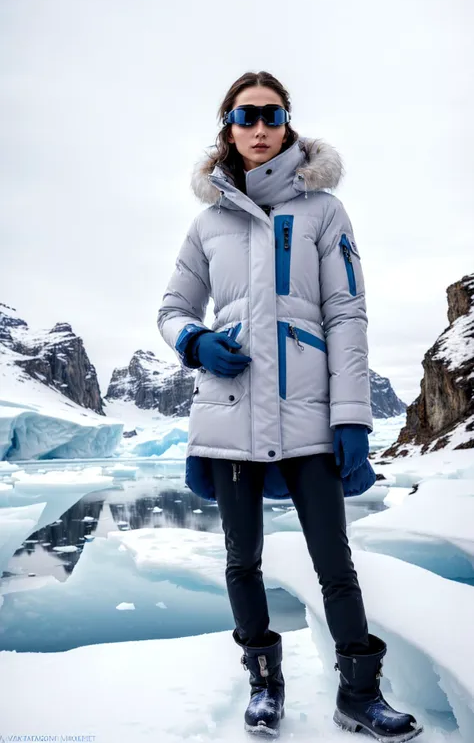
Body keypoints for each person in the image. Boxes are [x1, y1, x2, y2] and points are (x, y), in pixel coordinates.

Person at [157, 71, 422, 742]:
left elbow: (347, 314)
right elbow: (171, 309)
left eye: (271, 114)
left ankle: (359, 695)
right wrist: (195, 343)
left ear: (287, 122)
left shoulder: (323, 211)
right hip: (229, 416)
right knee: (241, 560)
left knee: (335, 563)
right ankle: (264, 683)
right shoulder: (207, 221)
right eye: (244, 115)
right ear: (229, 125)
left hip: (308, 418)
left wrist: (353, 419)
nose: (258, 127)